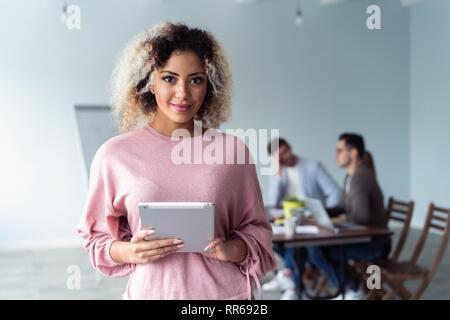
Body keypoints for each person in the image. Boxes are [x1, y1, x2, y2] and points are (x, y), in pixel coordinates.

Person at [77, 22, 275, 300]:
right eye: (169, 78)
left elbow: (257, 230)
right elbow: (94, 238)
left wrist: (231, 249)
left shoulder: (232, 150)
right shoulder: (115, 155)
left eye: (196, 80)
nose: (183, 93)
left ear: (210, 85)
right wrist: (130, 251)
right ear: (149, 82)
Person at [306, 133, 391, 299]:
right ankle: (349, 287)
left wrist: (337, 224)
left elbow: (362, 219)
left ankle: (352, 289)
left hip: (374, 245)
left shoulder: (361, 178)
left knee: (316, 249)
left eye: (339, 150)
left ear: (352, 153)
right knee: (313, 247)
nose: (335, 155)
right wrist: (319, 213)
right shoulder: (350, 177)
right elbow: (342, 207)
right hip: (364, 239)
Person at [263, 138, 341, 299]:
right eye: (279, 156)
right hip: (289, 221)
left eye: (285, 151)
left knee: (304, 247)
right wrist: (277, 176)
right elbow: (272, 203)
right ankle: (295, 280)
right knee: (278, 243)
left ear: (290, 147)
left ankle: (290, 281)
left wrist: (325, 214)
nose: (285, 156)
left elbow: (335, 193)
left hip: (312, 220)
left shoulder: (313, 167)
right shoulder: (279, 173)